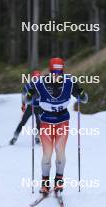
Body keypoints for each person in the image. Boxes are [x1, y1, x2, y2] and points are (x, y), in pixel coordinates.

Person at [27, 58, 88, 194]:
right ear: (50, 71)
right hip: (46, 122)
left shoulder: (69, 82)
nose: (57, 76)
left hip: (62, 122)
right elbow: (27, 98)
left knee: (60, 152)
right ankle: (45, 183)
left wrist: (81, 93)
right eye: (54, 73)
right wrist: (29, 95)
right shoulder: (40, 83)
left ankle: (59, 182)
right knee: (47, 154)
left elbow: (84, 98)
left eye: (59, 73)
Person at [9, 70, 42, 145]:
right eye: (35, 78)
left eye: (38, 78)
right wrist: (23, 104)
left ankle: (37, 136)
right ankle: (15, 136)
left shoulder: (42, 86)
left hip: (39, 107)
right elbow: (24, 96)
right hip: (30, 107)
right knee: (23, 121)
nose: (36, 80)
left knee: (39, 122)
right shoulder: (28, 86)